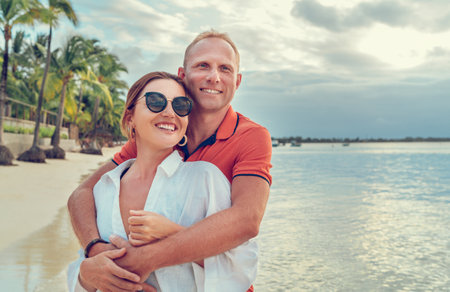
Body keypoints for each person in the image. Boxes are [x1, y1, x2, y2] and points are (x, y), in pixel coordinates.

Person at [67, 30, 272, 291]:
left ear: (238, 81)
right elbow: (84, 192)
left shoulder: (249, 137)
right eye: (203, 65)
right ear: (182, 75)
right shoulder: (160, 133)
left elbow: (246, 220)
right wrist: (94, 251)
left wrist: (142, 260)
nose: (214, 76)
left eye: (225, 68)